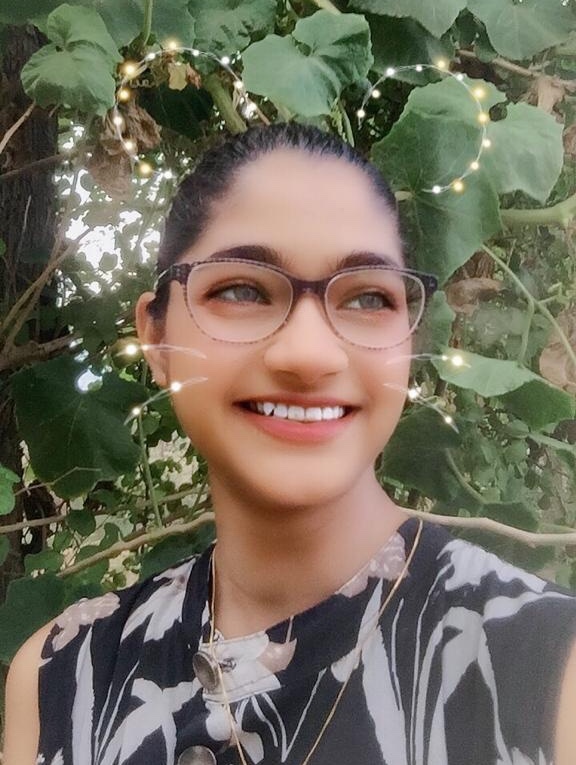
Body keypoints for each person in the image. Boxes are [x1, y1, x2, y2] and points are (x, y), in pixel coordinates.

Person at [4, 123, 576, 765]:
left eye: (368, 298)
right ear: (156, 340)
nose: (308, 354)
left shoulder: (546, 668)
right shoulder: (62, 678)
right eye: (242, 290)